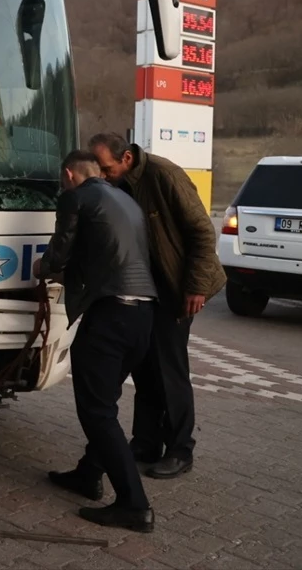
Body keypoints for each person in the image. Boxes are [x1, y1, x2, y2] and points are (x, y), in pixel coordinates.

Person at [87, 132, 226, 479]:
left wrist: (194, 287)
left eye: (107, 169)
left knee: (170, 370)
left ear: (127, 159)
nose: (103, 176)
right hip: (143, 289)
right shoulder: (115, 184)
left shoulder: (164, 175)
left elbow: (202, 233)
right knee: (145, 367)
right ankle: (146, 442)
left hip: (177, 288)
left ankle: (181, 449)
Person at [34, 150, 158, 532]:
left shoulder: (76, 197)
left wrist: (42, 266)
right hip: (143, 314)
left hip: (111, 314)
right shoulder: (126, 199)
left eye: (61, 180)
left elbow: (59, 252)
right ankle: (88, 473)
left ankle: (134, 505)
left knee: (97, 410)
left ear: (69, 175)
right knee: (106, 398)